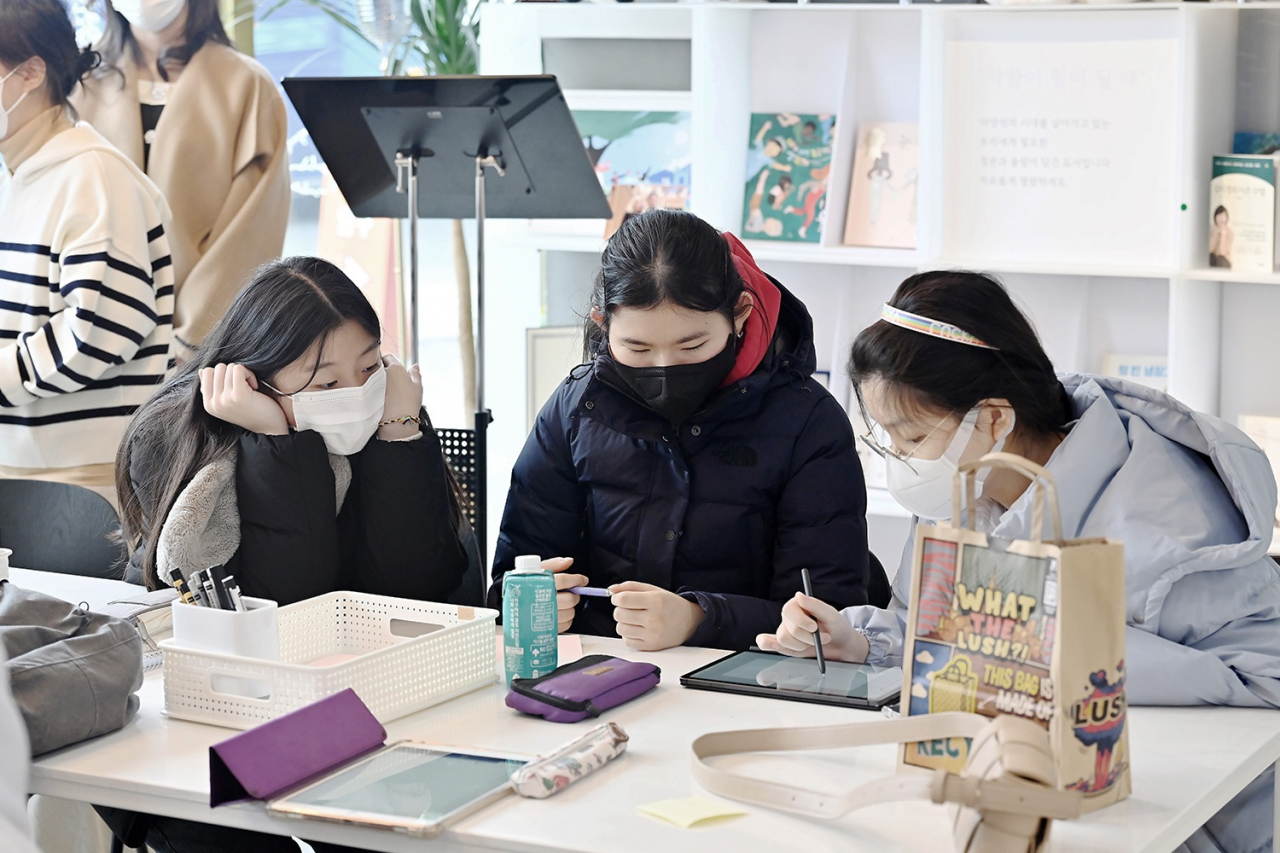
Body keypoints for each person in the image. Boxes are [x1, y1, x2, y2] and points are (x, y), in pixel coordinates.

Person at [758, 270, 1280, 853]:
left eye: (908, 438)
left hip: (1190, 821)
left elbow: (1265, 679)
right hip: (1014, 799)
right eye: (886, 438)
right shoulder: (962, 488)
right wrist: (862, 640)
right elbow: (943, 637)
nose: (898, 461)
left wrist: (1048, 654)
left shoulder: (1170, 522)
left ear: (994, 418)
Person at [491, 209, 871, 652]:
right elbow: (507, 583)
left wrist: (700, 619)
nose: (663, 367)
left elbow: (831, 620)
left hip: (747, 686)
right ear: (602, 324)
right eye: (636, 347)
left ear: (741, 315)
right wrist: (531, 601)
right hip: (599, 673)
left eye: (691, 346)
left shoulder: (808, 422)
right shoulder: (577, 408)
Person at [116, 256, 468, 604]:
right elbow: (284, 605)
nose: (357, 393)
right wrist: (274, 443)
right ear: (254, 380)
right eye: (327, 384)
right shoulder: (173, 437)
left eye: (369, 365)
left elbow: (421, 590)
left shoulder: (394, 410)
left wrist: (400, 437)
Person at [0, 0, 173, 505]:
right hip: (20, 464)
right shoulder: (17, 173)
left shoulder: (92, 176)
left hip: (80, 479)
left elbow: (100, 332)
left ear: (32, 72)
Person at [74, 0, 289, 361]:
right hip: (88, 337)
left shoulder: (248, 86)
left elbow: (250, 233)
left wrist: (193, 340)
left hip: (201, 350)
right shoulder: (78, 81)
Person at [1209, 204, 1233, 268]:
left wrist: (1223, 235)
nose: (1221, 218)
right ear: (1215, 217)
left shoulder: (1230, 232)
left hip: (1224, 260)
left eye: (1224, 216)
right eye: (1219, 216)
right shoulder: (1211, 229)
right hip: (1213, 259)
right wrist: (1216, 234)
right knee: (1210, 257)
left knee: (1220, 259)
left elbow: (1222, 253)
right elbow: (1210, 250)